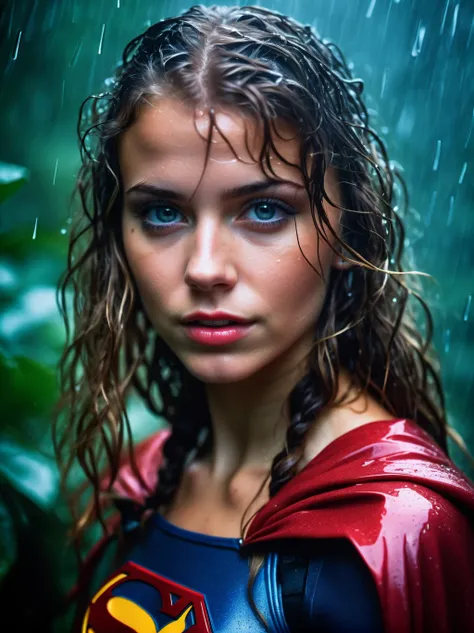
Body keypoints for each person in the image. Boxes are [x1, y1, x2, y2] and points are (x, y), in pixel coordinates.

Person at [54, 4, 474, 632]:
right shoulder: (135, 487)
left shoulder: (393, 527)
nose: (204, 268)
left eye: (264, 211)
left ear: (346, 232)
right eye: (164, 214)